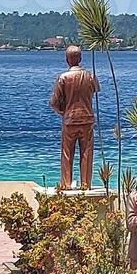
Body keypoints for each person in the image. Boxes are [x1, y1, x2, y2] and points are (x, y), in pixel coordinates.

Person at [49, 45, 99, 190]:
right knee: (86, 153)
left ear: (67, 59)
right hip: (87, 119)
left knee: (67, 153)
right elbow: (96, 89)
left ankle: (66, 183)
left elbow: (54, 102)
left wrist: (63, 112)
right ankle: (85, 184)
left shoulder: (63, 78)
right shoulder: (90, 76)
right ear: (80, 58)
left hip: (70, 119)